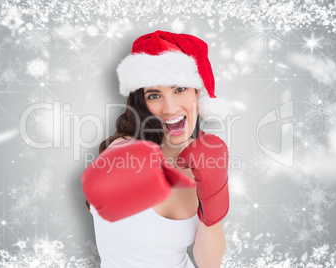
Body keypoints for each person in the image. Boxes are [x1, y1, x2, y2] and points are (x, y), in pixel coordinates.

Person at [81, 30, 230, 268]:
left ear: (196, 92)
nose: (169, 108)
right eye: (154, 95)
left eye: (179, 88)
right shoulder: (122, 153)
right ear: (141, 102)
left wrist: (215, 195)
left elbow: (209, 264)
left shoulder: (203, 158)